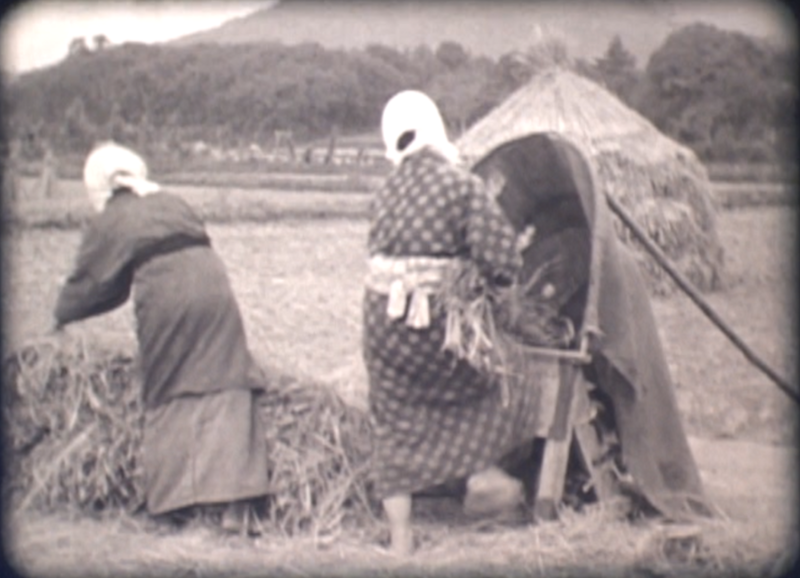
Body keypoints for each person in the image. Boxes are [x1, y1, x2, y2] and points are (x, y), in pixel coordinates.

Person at [362, 91, 547, 556]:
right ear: (436, 129)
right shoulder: (460, 186)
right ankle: (486, 480)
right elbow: (502, 261)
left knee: (395, 418)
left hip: (382, 325)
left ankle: (401, 541)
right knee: (495, 383)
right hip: (435, 324)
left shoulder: (383, 192)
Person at [54, 142, 270, 534]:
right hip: (215, 289)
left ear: (101, 187)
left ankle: (175, 504)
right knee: (226, 374)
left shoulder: (116, 217)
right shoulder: (171, 201)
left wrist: (61, 314)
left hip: (171, 297)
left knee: (169, 382)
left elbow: (94, 282)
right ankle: (236, 507)